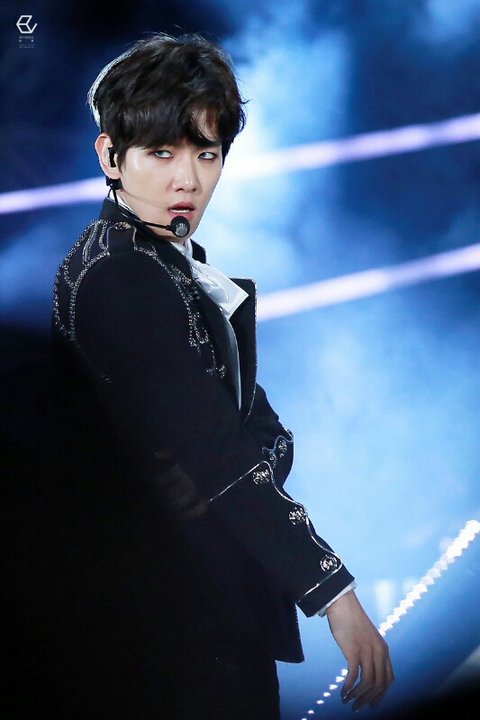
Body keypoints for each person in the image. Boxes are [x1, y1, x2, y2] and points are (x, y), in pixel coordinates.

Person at [50, 32, 394, 720]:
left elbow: (257, 437)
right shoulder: (123, 276)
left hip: (186, 607)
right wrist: (335, 594)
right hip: (173, 619)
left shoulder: (156, 263)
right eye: (161, 153)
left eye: (206, 154)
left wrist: (215, 471)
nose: (188, 180)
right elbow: (224, 457)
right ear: (110, 156)